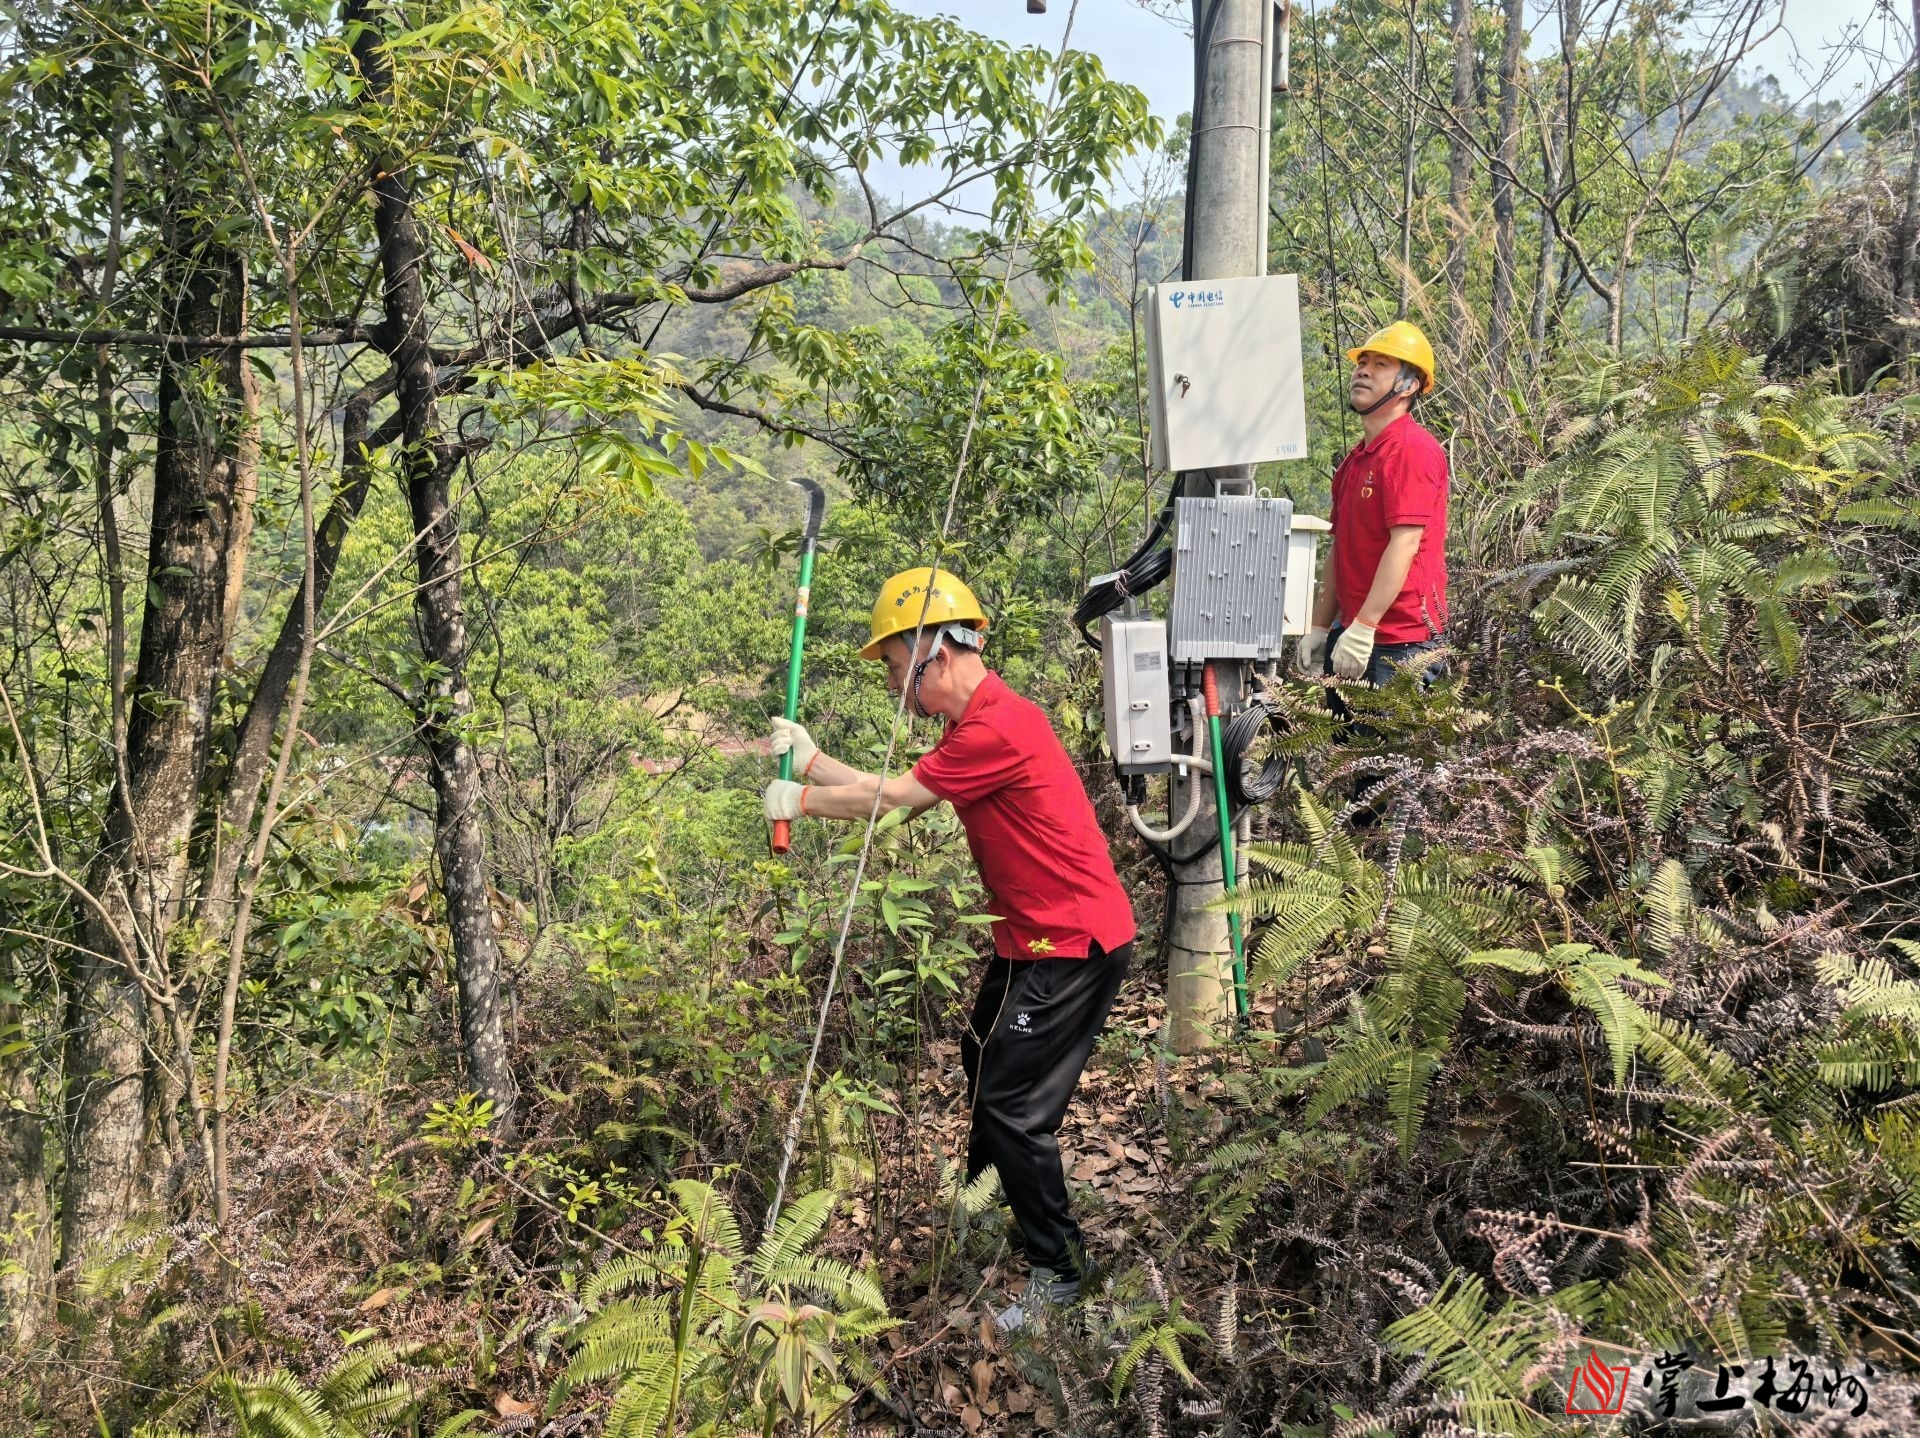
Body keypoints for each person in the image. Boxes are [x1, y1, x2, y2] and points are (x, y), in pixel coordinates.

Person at [761, 567, 1135, 1330]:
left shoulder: (1000, 725)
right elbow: (901, 791)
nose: (893, 684)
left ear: (936, 650)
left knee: (1013, 1104)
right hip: (1032, 937)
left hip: (1074, 941)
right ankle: (992, 1204)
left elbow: (893, 799)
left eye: (897, 666)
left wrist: (801, 799)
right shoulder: (972, 730)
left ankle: (1061, 1271)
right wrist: (812, 763)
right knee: (980, 1054)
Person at [1296, 320, 1450, 689]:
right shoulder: (1356, 460)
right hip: (1352, 633)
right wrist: (1320, 626)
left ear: (1409, 385)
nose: (1363, 371)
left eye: (1381, 365)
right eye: (1362, 363)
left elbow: (1405, 543)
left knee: (1388, 732)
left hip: (1401, 644)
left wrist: (1365, 626)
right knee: (1341, 730)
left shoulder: (1410, 449)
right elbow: (1341, 547)